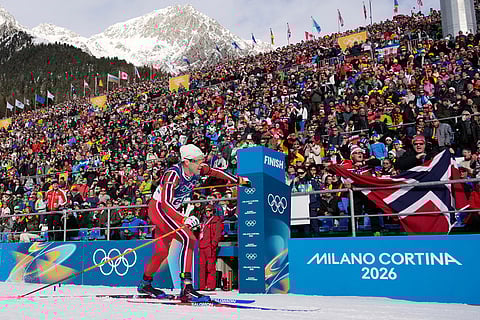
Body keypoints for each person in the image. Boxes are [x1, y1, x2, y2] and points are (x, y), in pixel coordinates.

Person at [138, 144, 248, 302]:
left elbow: (217, 172)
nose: (201, 164)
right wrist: (183, 218)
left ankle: (145, 283)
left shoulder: (198, 169)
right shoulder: (173, 175)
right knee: (188, 238)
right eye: (197, 161)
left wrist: (239, 181)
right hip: (159, 209)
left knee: (162, 251)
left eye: (202, 160)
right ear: (186, 162)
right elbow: (165, 203)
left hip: (171, 209)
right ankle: (186, 287)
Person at [198, 205, 223, 291]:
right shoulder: (203, 220)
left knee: (210, 267)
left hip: (210, 246)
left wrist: (213, 244)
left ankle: (210, 286)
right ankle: (201, 286)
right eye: (206, 211)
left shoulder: (216, 220)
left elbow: (218, 234)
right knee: (201, 267)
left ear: (213, 211)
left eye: (210, 211)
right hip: (201, 246)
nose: (208, 212)